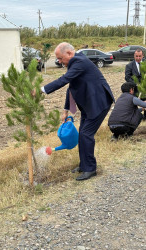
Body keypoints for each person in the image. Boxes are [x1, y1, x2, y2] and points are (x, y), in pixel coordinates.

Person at [39, 42, 115, 181]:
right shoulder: (75, 62)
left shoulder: (79, 61)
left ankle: (90, 169)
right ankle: (84, 165)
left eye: (60, 58)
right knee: (83, 135)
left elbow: (64, 80)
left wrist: (42, 90)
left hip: (99, 103)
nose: (59, 62)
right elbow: (71, 88)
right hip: (89, 104)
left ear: (69, 53)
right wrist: (66, 110)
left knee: (86, 135)